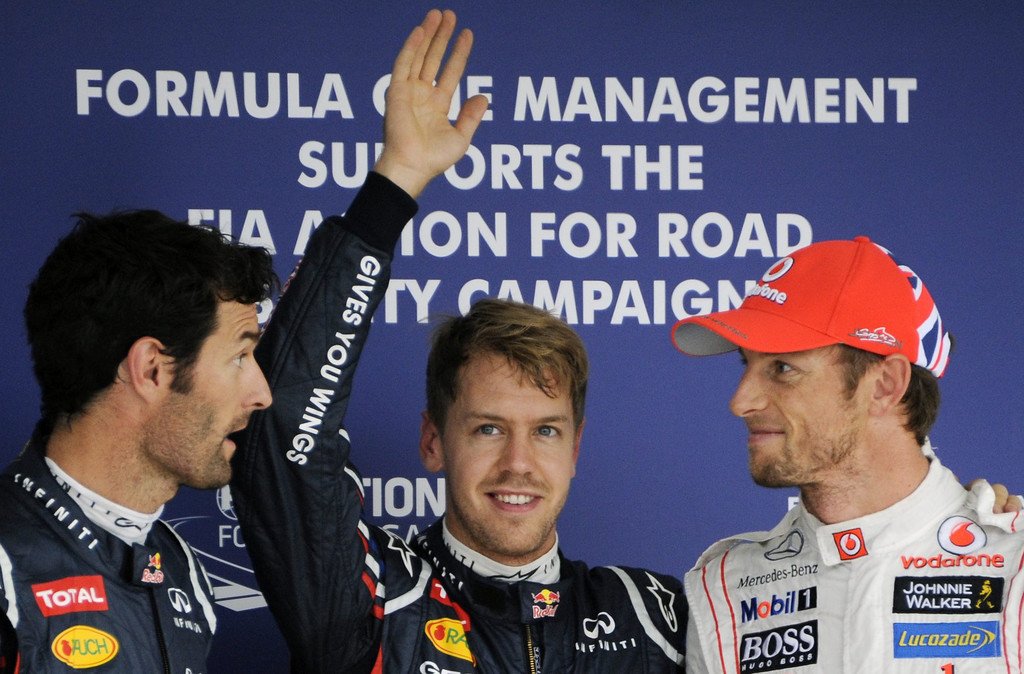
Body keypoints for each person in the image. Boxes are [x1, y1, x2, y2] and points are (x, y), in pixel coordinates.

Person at [230, 9, 686, 672]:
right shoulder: (374, 601)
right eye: (488, 429)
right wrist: (396, 182)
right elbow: (283, 431)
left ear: (577, 447)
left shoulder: (652, 616)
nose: (518, 464)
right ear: (433, 441)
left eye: (547, 431)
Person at [671, 236, 1024, 672]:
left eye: (783, 368)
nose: (740, 402)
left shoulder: (1015, 566)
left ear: (884, 386)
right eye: (747, 364)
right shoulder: (724, 589)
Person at [0, 209, 275, 671]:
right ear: (150, 369)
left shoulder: (179, 565)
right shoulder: (7, 569)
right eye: (240, 355)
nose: (262, 394)